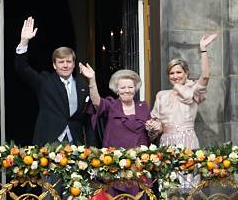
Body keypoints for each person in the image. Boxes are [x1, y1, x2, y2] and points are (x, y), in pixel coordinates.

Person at [15, 16, 91, 146]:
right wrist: (24, 41)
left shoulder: (82, 85)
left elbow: (88, 120)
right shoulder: (45, 82)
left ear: (74, 64)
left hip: (76, 144)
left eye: (68, 61)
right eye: (61, 62)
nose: (65, 65)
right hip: (49, 142)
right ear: (54, 65)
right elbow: (22, 68)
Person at [146, 33, 218, 149]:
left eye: (179, 72)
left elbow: (205, 76)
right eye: (171, 73)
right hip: (166, 142)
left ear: (186, 73)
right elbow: (158, 127)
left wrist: (203, 50)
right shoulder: (161, 95)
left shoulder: (193, 89)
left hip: (187, 140)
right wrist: (153, 126)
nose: (175, 76)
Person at [82, 66, 151, 149]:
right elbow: (96, 102)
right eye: (123, 88)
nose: (127, 91)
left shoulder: (143, 107)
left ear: (135, 89)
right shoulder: (111, 104)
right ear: (117, 90)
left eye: (130, 87)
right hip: (114, 157)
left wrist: (153, 127)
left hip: (141, 158)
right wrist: (92, 80)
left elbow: (151, 132)